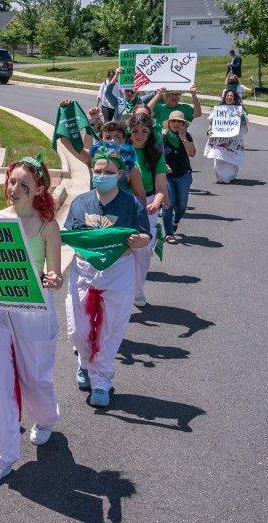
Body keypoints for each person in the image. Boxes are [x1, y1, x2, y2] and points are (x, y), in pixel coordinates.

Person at [0, 156, 62, 490]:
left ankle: (46, 418)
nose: (14, 189)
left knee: (35, 378)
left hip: (34, 311)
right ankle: (2, 456)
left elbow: (54, 271)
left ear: (38, 188)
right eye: (12, 181)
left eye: (23, 185)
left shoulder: (47, 225)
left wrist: (52, 278)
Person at [64, 150, 151, 407]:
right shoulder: (80, 202)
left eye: (109, 172)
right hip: (84, 270)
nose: (102, 175)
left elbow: (145, 236)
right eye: (98, 171)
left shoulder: (132, 204)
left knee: (109, 328)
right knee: (78, 328)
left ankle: (101, 381)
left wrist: (139, 241)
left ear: (120, 175)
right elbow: (72, 235)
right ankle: (84, 361)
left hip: (118, 270)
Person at [127, 113, 168, 307]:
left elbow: (161, 189)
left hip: (147, 204)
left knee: (143, 251)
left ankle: (137, 290)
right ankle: (120, 290)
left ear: (150, 132)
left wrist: (156, 203)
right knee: (123, 247)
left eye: (144, 131)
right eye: (135, 131)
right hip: (123, 203)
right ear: (129, 132)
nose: (140, 135)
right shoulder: (121, 151)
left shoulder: (156, 154)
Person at [160, 111, 196, 243]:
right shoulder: (162, 136)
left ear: (184, 125)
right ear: (169, 123)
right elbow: (155, 153)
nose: (177, 124)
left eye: (180, 122)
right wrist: (162, 164)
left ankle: (176, 220)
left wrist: (183, 137)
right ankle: (169, 233)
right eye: (174, 121)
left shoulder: (187, 136)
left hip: (183, 174)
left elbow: (192, 153)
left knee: (181, 204)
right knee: (168, 204)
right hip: (166, 175)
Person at [204, 90, 248, 184]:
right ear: (225, 97)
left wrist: (241, 118)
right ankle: (221, 177)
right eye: (227, 95)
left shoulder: (238, 110)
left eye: (231, 96)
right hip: (220, 138)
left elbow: (244, 123)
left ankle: (230, 176)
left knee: (231, 156)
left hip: (233, 139)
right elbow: (212, 121)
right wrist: (209, 131)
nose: (229, 97)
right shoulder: (219, 109)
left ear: (234, 98)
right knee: (219, 156)